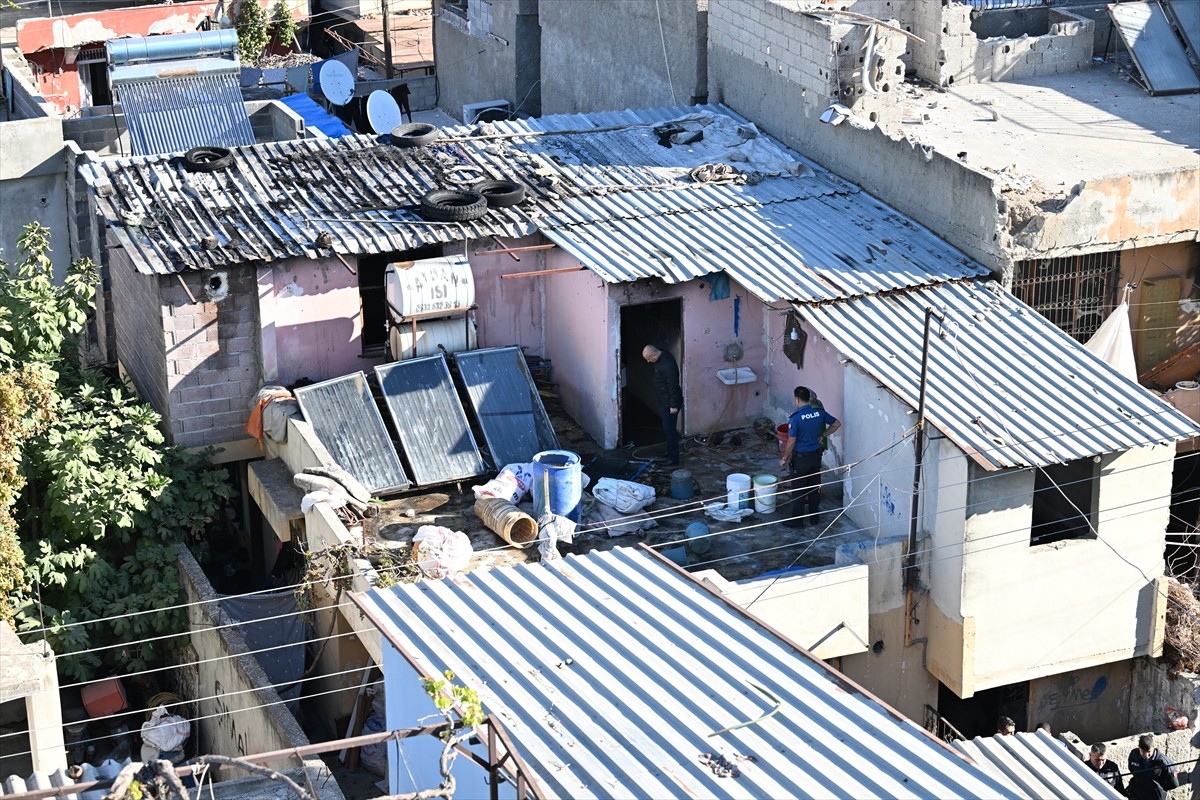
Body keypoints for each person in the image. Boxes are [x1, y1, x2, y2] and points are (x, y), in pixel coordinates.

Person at [778, 386, 840, 528]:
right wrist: (822, 435)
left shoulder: (795, 418)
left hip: (801, 459)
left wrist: (785, 458)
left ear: (797, 400)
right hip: (815, 457)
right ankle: (814, 517)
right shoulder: (819, 413)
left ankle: (797, 520)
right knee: (814, 487)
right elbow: (836, 424)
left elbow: (791, 441)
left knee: (799, 489)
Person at [642, 345, 683, 466]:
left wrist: (674, 405)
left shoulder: (667, 365)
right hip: (664, 400)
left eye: (649, 359)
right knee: (667, 429)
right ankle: (670, 452)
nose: (648, 362)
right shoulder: (661, 356)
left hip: (669, 403)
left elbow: (673, 386)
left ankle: (673, 458)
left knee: (669, 429)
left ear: (654, 355)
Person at [1128, 733, 1175, 800]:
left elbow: (1173, 783)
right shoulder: (1134, 755)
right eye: (1143, 752)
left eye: (1149, 751)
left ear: (1154, 747)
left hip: (1154, 797)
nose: (1147, 755)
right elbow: (1131, 769)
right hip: (1137, 794)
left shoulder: (1164, 762)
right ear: (1139, 748)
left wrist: (1157, 787)